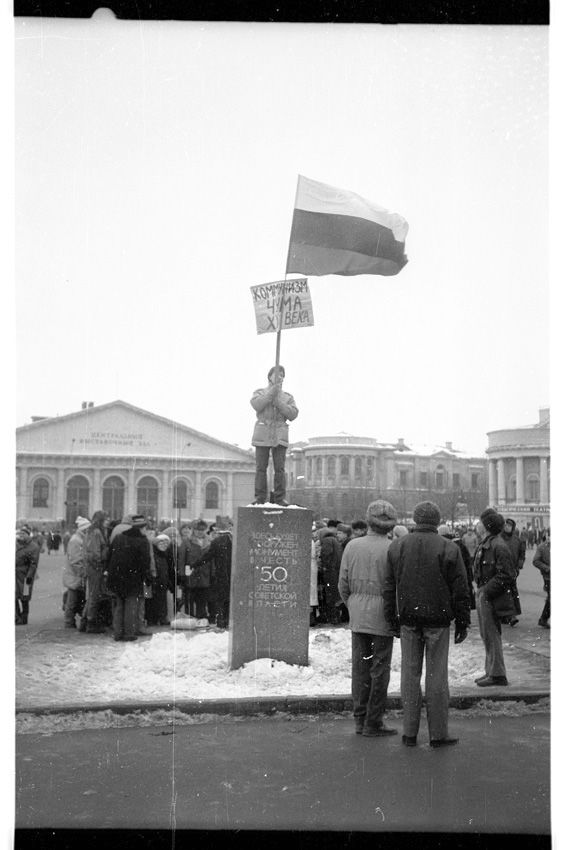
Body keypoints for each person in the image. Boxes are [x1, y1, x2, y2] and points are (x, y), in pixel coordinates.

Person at [384, 501, 470, 748]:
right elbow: (460, 588)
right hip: (438, 620)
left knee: (409, 676)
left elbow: (388, 586)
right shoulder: (449, 547)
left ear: (415, 519)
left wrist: (391, 618)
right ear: (437, 520)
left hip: (408, 619)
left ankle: (409, 732)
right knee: (437, 677)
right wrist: (462, 621)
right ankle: (438, 734)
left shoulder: (397, 546)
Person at [338, 499, 399, 737]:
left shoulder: (352, 546)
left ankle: (359, 718)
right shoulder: (394, 548)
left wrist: (353, 604)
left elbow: (343, 584)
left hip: (358, 615)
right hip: (383, 616)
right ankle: (374, 721)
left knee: (360, 668)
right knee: (379, 670)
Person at [473, 508, 515, 687]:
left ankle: (497, 674)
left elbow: (507, 574)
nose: (478, 525)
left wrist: (485, 591)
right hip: (485, 595)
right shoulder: (489, 543)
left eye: (481, 522)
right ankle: (491, 671)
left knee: (491, 634)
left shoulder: (498, 545)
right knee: (486, 634)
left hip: (491, 597)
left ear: (487, 526)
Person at [250, 365, 298, 506]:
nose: (279, 377)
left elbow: (293, 414)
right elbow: (257, 405)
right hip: (263, 432)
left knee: (280, 468)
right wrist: (271, 394)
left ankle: (279, 498)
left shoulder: (287, 397)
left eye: (282, 375)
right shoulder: (259, 392)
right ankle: (260, 498)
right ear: (269, 376)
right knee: (261, 468)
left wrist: (278, 402)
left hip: (280, 432)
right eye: (276, 374)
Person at [106, 514, 152, 641]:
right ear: (142, 528)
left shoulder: (119, 537)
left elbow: (109, 556)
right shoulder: (143, 541)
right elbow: (145, 562)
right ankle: (129, 633)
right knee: (131, 605)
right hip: (133, 578)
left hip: (116, 577)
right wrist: (147, 577)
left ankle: (118, 633)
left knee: (119, 606)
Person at [192, 520, 234, 628]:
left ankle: (223, 621)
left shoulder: (218, 542)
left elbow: (208, 556)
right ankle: (225, 621)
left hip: (224, 575)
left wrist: (195, 564)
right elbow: (208, 556)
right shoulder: (229, 541)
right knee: (226, 599)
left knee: (223, 599)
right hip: (228, 575)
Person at [82, 510, 110, 633]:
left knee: (93, 594)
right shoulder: (96, 532)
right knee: (94, 595)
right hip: (95, 567)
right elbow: (94, 552)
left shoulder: (94, 531)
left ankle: (85, 621)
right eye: (106, 519)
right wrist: (99, 565)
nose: (108, 521)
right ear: (100, 520)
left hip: (94, 566)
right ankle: (90, 623)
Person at [63, 517, 90, 628]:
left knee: (74, 599)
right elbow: (75, 561)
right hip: (75, 575)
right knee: (72, 600)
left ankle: (69, 620)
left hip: (75, 575)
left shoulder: (79, 539)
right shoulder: (76, 540)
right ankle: (68, 621)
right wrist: (83, 573)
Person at [500, 517, 526, 626]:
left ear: (513, 527)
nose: (507, 527)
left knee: (511, 591)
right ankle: (506, 615)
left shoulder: (517, 540)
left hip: (513, 570)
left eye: (509, 526)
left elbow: (522, 553)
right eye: (506, 525)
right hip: (500, 570)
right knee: (503, 592)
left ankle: (511, 614)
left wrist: (520, 564)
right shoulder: (499, 539)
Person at [145, 534, 174, 626]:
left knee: (162, 600)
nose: (164, 545)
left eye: (166, 543)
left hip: (163, 580)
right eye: (161, 543)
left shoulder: (166, 555)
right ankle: (151, 619)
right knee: (151, 600)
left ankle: (162, 618)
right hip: (154, 580)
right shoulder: (153, 554)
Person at [317, 525, 343, 625]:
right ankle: (336, 617)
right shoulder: (335, 540)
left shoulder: (327, 541)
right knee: (335, 595)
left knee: (330, 594)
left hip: (330, 572)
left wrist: (324, 565)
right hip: (336, 571)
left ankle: (333, 617)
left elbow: (326, 554)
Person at [15, 525, 40, 625]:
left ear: (28, 535)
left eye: (23, 534)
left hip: (25, 577)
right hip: (15, 575)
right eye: (20, 534)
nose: (21, 535)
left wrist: (29, 576)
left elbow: (33, 564)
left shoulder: (34, 547)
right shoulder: (16, 544)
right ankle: (17, 617)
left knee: (24, 598)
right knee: (14, 597)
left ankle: (24, 618)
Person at [533, 532, 550, 628]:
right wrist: (547, 568)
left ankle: (543, 619)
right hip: (548, 577)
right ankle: (543, 619)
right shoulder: (542, 547)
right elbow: (536, 561)